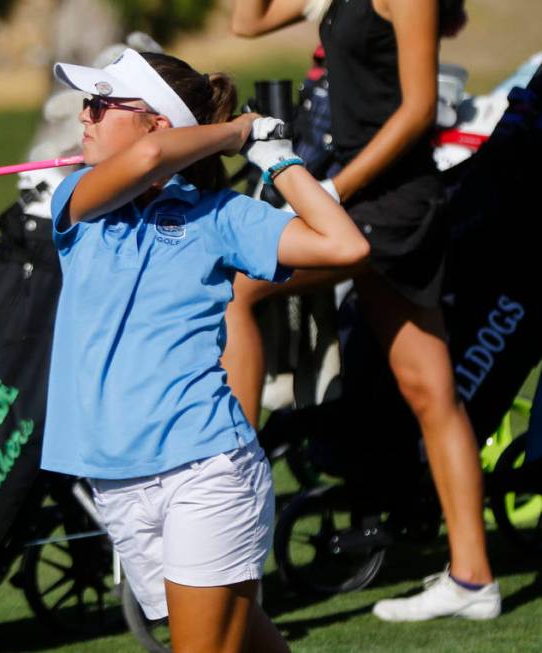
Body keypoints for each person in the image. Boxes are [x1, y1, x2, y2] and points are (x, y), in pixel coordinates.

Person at [40, 47, 368, 652]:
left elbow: (345, 247)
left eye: (102, 104)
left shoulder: (220, 216)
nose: (84, 116)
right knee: (238, 637)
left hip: (206, 466)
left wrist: (276, 160)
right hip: (117, 477)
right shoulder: (77, 200)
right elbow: (145, 158)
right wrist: (235, 131)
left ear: (158, 121)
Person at [231, 0, 502, 621]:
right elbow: (246, 22)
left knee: (241, 287)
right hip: (365, 201)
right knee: (430, 390)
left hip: (388, 204)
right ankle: (473, 579)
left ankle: (225, 505)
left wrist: (335, 191)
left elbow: (417, 109)